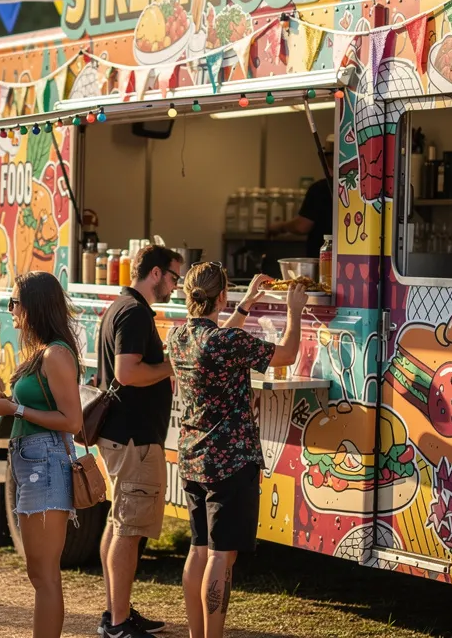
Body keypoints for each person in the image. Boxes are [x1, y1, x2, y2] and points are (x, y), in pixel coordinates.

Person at [166, 263, 305, 638]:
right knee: (221, 557)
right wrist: (294, 309)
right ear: (221, 296)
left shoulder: (177, 336)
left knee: (198, 549)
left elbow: (215, 343)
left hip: (193, 457)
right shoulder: (227, 343)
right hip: (231, 462)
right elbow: (288, 354)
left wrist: (244, 305)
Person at [0, 272, 84, 638]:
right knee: (37, 572)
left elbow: (72, 421)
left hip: (46, 462)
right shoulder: (41, 351)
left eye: (14, 303)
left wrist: (15, 410)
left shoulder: (55, 354)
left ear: (33, 307)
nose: (10, 310)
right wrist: (8, 405)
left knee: (45, 573)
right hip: (31, 462)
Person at [96, 246, 181, 638]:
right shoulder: (133, 312)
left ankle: (116, 611)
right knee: (127, 530)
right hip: (133, 438)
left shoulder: (123, 306)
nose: (176, 286)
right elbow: (127, 373)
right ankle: (117, 624)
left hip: (124, 435)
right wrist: (172, 366)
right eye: (174, 278)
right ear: (156, 273)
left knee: (119, 524)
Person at [267, 134, 334, 257]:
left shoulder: (320, 189)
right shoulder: (357, 188)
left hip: (322, 259)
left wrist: (280, 226)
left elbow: (302, 226)